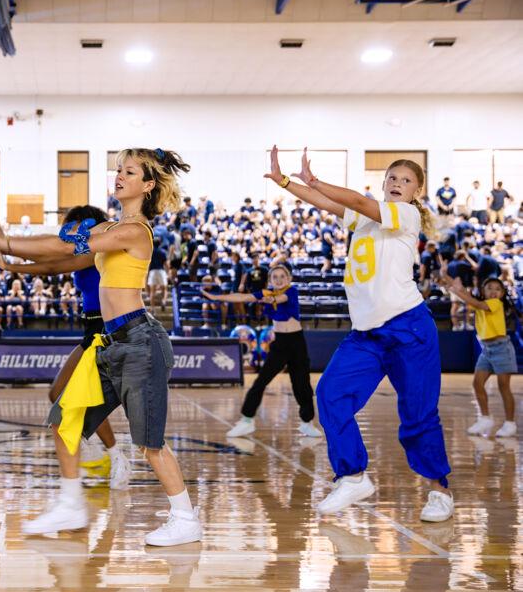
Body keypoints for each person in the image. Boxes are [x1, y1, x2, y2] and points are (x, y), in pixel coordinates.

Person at [0, 148, 202, 546]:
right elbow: (64, 255)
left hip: (141, 341)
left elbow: (68, 246)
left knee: (150, 445)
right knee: (64, 418)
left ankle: (186, 518)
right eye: (118, 169)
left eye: (130, 171)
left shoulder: (136, 231)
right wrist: (13, 261)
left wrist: (9, 241)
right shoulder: (108, 229)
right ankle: (71, 503)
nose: (119, 176)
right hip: (110, 343)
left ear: (148, 185)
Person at [271, 145, 453, 522]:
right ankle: (352, 476)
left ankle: (439, 491)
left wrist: (315, 178)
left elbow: (352, 197)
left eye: (406, 180)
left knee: (419, 415)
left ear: (417, 191)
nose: (397, 183)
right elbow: (325, 203)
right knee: (330, 393)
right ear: (384, 183)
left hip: (408, 328)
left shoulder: (405, 215)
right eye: (392, 178)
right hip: (367, 334)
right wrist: (285, 181)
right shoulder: (362, 219)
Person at [0, 205, 132, 490]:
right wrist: (9, 265)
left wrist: (8, 248)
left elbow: (56, 257)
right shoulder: (86, 253)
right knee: (58, 392)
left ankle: (117, 457)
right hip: (92, 328)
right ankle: (106, 454)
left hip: (108, 328)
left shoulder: (100, 248)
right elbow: (54, 266)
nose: (70, 232)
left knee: (77, 398)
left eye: (75, 226)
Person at [202, 264, 322, 439]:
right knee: (261, 381)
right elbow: (242, 297)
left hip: (297, 342)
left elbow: (280, 299)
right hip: (280, 343)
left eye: (282, 276)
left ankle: (307, 423)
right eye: (275, 277)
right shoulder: (266, 293)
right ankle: (246, 420)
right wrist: (217, 296)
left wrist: (270, 300)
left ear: (288, 279)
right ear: (270, 280)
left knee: (302, 384)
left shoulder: (292, 291)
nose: (279, 280)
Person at [449, 277, 518, 439]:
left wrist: (459, 291)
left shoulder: (495, 304)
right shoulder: (478, 305)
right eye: (490, 288)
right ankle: (485, 419)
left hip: (502, 348)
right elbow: (466, 296)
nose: (494, 291)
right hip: (487, 349)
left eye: (498, 289)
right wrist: (448, 278)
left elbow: (473, 300)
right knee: (477, 384)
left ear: (502, 294)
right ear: (483, 291)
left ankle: (510, 423)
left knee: (503, 386)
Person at [147, 237, 168, 314]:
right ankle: (164, 301)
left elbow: (148, 264)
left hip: (153, 271)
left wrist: (148, 273)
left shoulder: (150, 252)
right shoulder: (163, 252)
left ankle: (152, 309)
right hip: (161, 271)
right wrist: (168, 272)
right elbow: (166, 264)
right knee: (165, 289)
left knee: (152, 291)